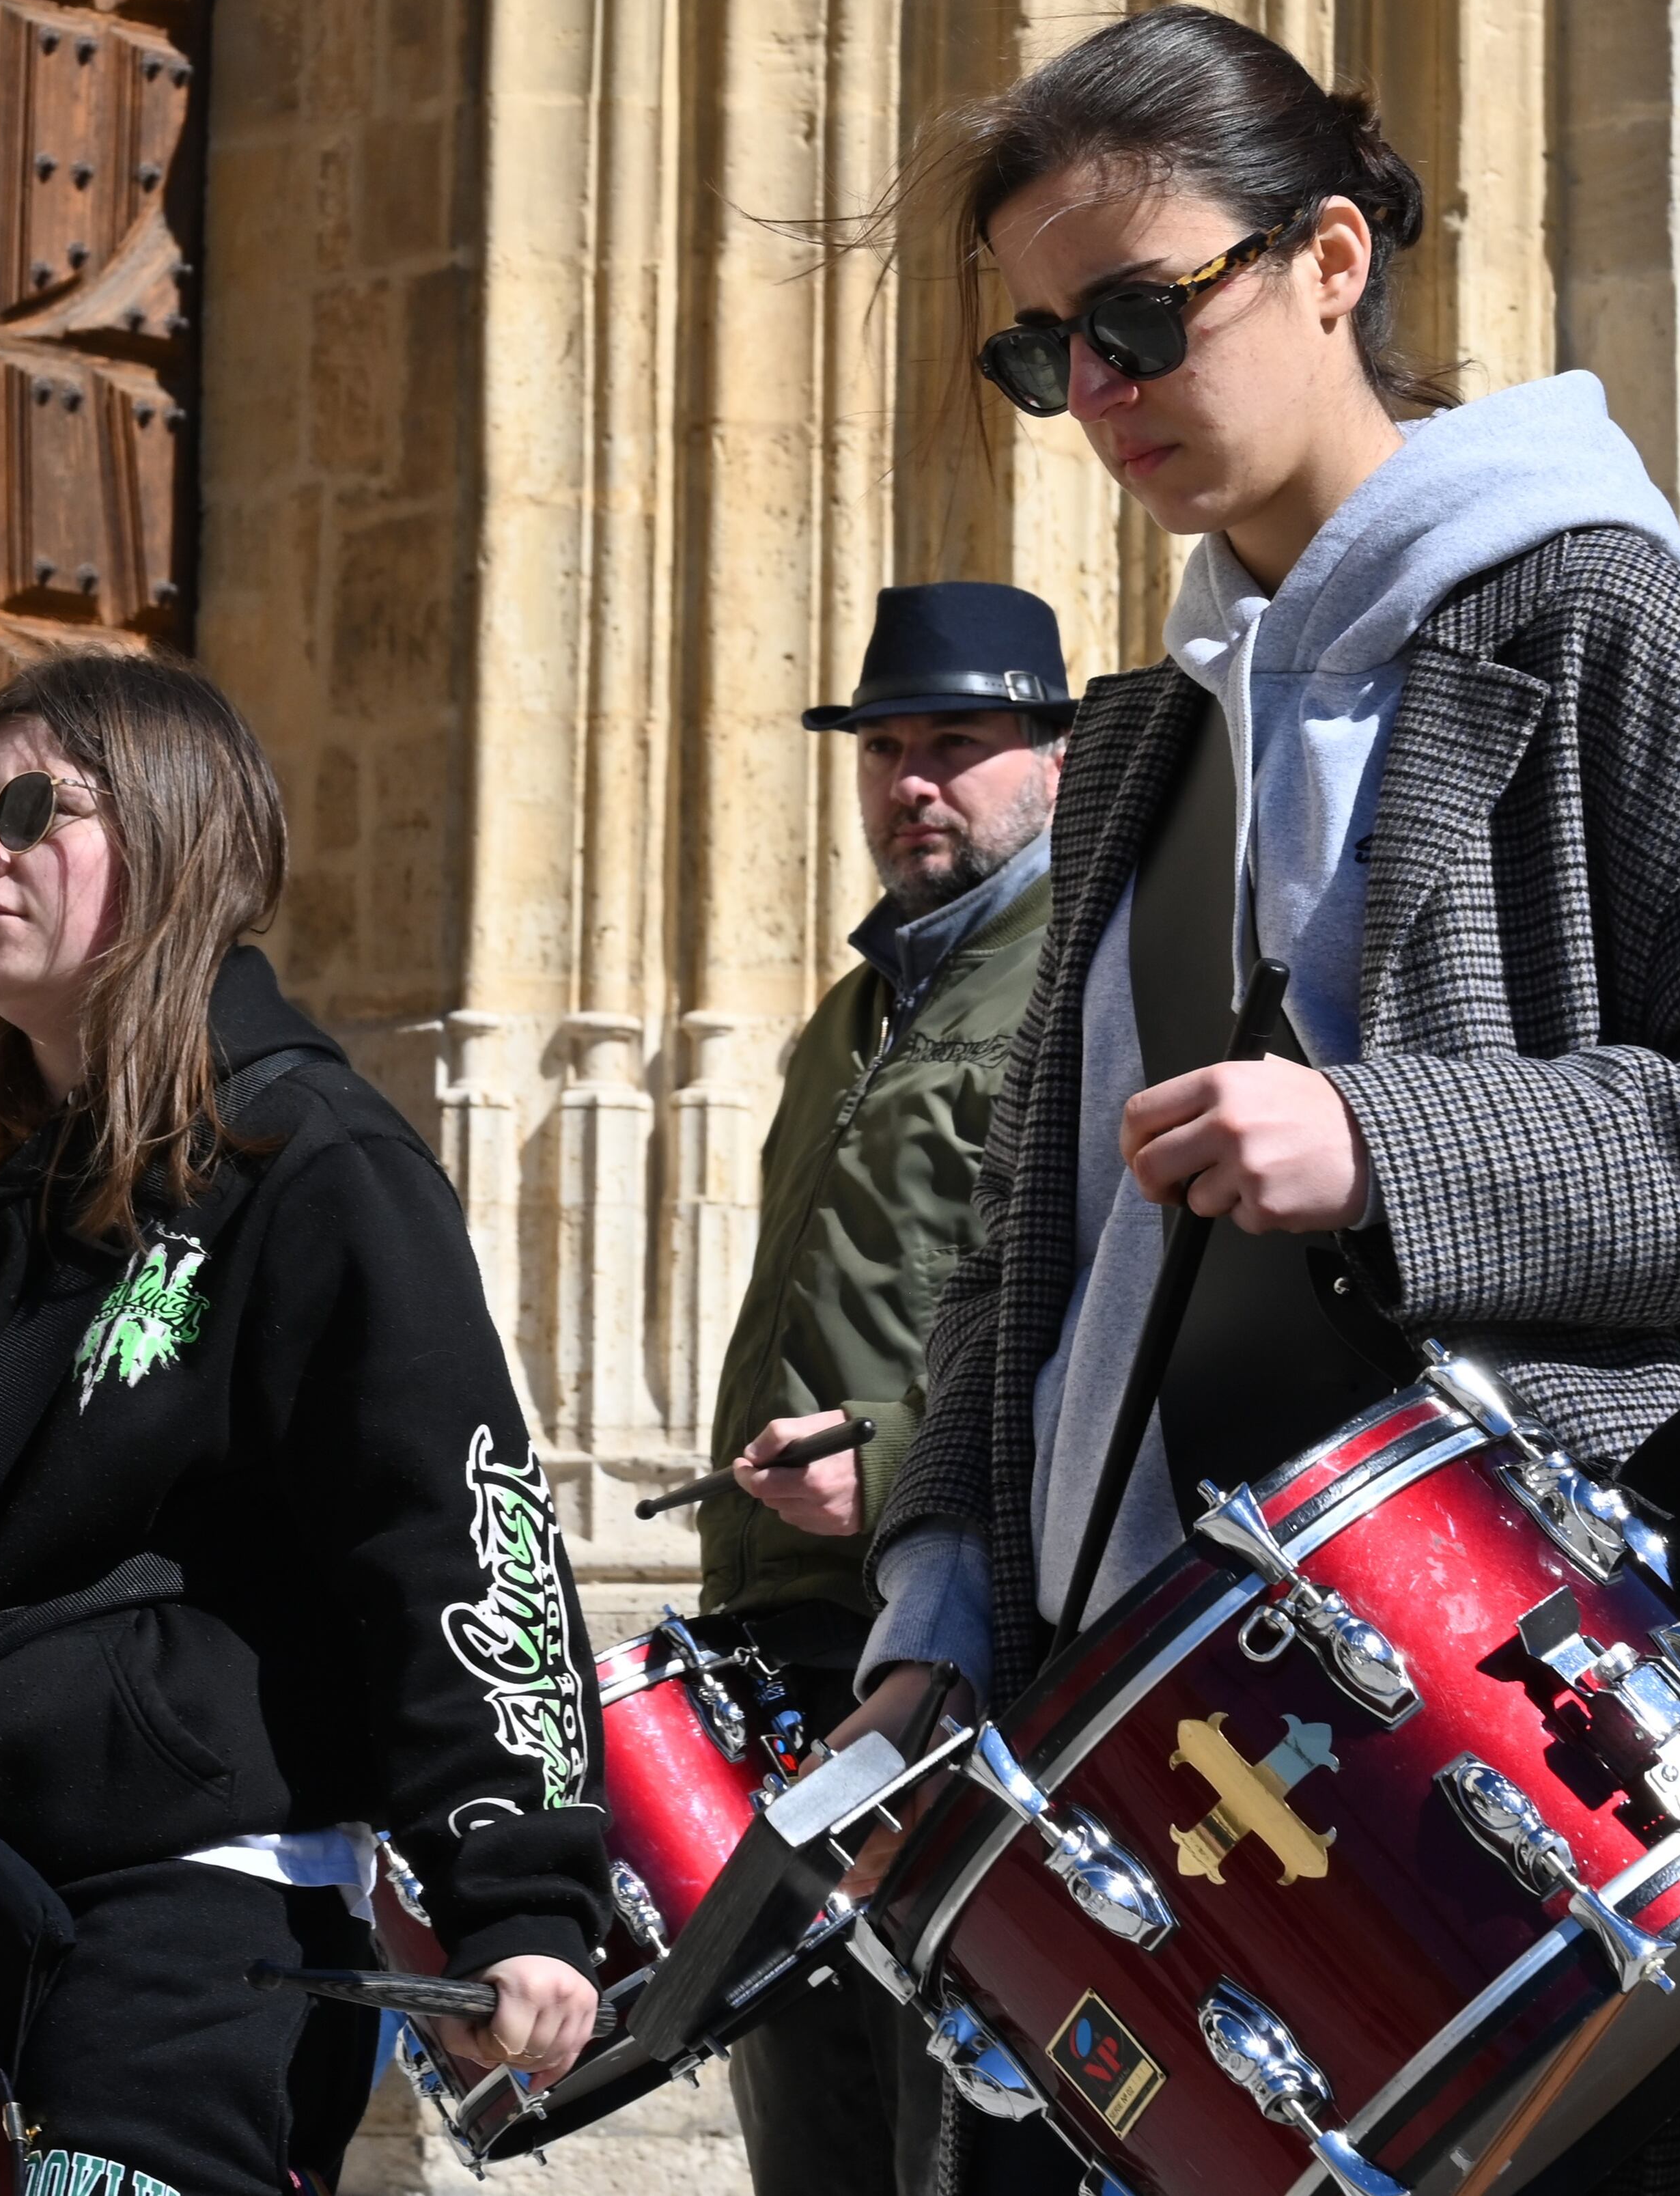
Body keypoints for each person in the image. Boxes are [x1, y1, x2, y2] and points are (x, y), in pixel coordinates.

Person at [837, 3, 1680, 2196]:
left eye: (1139, 315)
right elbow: (1035, 1258)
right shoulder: (1151, 735)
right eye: (1045, 354)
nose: (1100, 395)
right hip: (1136, 1761)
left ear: (1329, 257)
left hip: (1492, 1753)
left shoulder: (1602, 625)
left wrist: (1386, 1149)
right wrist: (932, 1608)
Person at [0, 654, 613, 2196]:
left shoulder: (311, 1163)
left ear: (177, 836)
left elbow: (453, 1536)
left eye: (32, 808)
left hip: (188, 1931)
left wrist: (523, 1901)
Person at [695, 581, 1067, 2196]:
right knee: (817, 2122)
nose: (914, 781)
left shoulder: (1088, 983)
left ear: (1051, 757)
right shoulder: (851, 1012)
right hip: (789, 1636)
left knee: (965, 2130)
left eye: (959, 745)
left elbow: (1112, 1311)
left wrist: (903, 1457)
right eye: (886, 746)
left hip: (976, 1630)